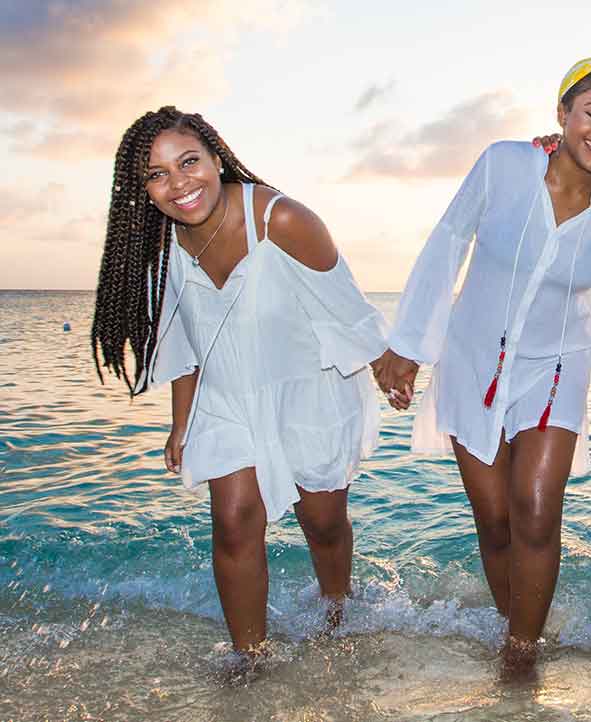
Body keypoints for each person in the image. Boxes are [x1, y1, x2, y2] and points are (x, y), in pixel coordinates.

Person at [374, 36, 591, 670]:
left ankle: (522, 654)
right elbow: (447, 244)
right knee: (495, 519)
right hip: (473, 362)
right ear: (562, 113)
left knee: (534, 508)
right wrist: (409, 347)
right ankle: (514, 624)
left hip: (559, 364)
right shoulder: (502, 163)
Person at [91, 107, 388, 663]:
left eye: (188, 162)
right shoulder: (167, 244)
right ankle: (248, 659)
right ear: (142, 189)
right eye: (157, 174)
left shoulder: (284, 219)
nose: (178, 184)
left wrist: (391, 367)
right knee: (232, 523)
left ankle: (338, 608)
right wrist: (182, 423)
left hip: (309, 388)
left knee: (322, 523)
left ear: (215, 158)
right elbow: (184, 337)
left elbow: (350, 312)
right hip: (226, 394)